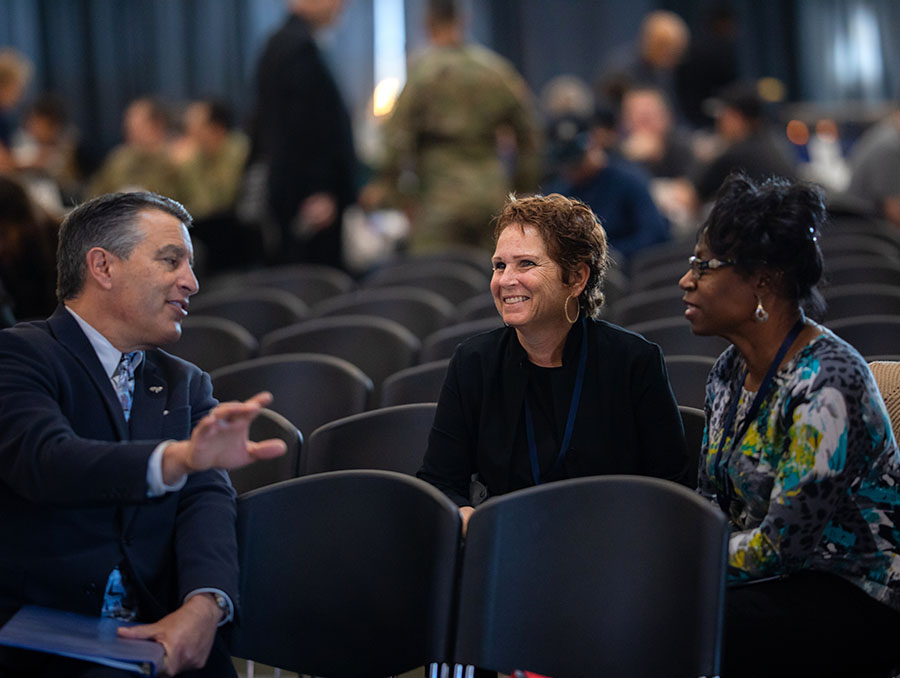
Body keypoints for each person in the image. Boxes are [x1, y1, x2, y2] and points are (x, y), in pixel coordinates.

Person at [0, 191, 286, 677]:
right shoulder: (21, 355)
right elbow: (47, 460)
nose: (192, 283)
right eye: (171, 261)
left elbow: (207, 503)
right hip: (42, 636)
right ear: (103, 267)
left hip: (162, 632)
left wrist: (203, 608)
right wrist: (175, 459)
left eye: (190, 266)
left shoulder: (186, 381)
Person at [680, 173, 900, 678]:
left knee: (683, 619)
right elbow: (710, 501)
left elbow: (784, 545)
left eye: (704, 266)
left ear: (763, 280)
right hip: (770, 580)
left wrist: (682, 566)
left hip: (854, 590)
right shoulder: (729, 371)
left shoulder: (829, 383)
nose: (686, 279)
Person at [418, 193, 690, 533]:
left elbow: (671, 488)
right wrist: (465, 514)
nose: (505, 280)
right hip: (508, 547)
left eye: (526, 264)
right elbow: (439, 481)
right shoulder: (474, 362)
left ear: (576, 278)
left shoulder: (633, 361)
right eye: (499, 265)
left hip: (611, 548)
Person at [360, 0, 542, 251]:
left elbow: (395, 141)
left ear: (427, 23)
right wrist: (522, 189)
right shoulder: (496, 71)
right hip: (491, 196)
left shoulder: (421, 75)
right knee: (497, 277)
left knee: (438, 278)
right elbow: (530, 132)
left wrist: (398, 197)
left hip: (438, 201)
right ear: (463, 20)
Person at [250, 0, 357, 268]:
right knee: (315, 287)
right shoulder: (297, 49)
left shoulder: (286, 43)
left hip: (299, 196)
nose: (342, 5)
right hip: (309, 203)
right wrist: (319, 189)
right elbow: (301, 129)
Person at [88, 97, 183, 201]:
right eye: (128, 127)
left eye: (136, 127)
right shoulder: (120, 157)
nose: (128, 132)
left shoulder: (179, 157)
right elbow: (94, 194)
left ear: (157, 124)